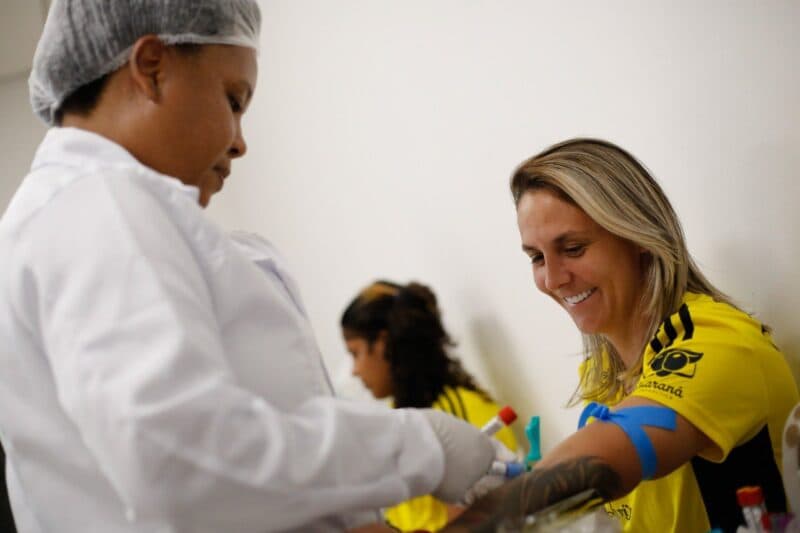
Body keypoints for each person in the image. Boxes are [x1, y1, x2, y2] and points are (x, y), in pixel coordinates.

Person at [0, 2, 507, 532]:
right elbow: (187, 466)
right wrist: (422, 448)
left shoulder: (92, 212)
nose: (240, 142)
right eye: (233, 100)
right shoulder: (98, 206)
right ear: (151, 68)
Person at [442, 138, 799, 532]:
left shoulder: (716, 343)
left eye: (574, 248)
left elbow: (622, 451)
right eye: (537, 258)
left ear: (638, 238)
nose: (553, 279)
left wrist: (493, 516)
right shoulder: (602, 373)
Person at [341, 280, 519, 532]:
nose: (355, 371)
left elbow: (483, 521)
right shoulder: (401, 416)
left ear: (382, 344)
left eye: (355, 353)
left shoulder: (456, 415)